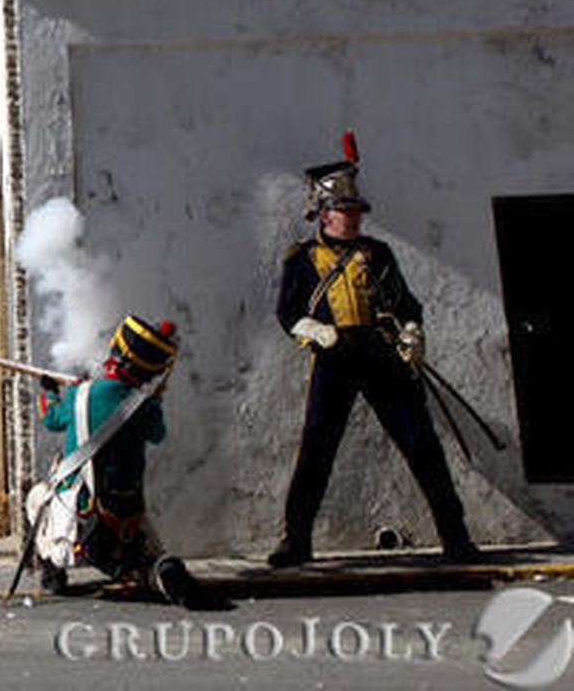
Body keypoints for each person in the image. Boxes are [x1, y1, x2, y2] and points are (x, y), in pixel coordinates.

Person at [268, 144, 479, 567]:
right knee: (316, 451)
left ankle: (456, 538)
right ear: (324, 213)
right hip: (334, 358)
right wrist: (316, 331)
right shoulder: (303, 259)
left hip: (382, 355)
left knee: (422, 446)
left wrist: (412, 334)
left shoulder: (378, 254)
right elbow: (289, 312)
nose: (355, 216)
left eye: (356, 210)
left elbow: (406, 305)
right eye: (346, 210)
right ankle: (296, 541)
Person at [33, 315, 225, 609]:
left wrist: (48, 390)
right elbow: (157, 434)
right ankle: (163, 572)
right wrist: (155, 403)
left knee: (36, 498)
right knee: (146, 561)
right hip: (127, 514)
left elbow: (51, 419)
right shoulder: (145, 406)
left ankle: (52, 568)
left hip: (82, 517)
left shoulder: (78, 395)